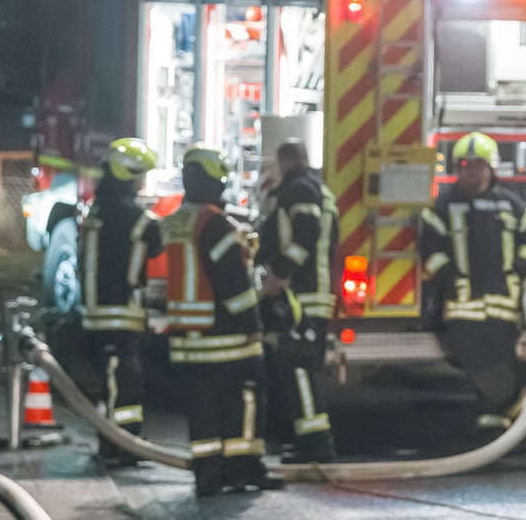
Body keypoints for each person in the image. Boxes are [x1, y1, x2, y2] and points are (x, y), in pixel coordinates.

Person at [161, 144, 284, 496]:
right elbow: (233, 284)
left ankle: (208, 474)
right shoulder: (215, 225)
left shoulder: (178, 221)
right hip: (227, 337)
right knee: (244, 401)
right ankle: (243, 470)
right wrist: (253, 321)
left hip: (187, 338)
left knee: (202, 409)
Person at [419, 131, 526, 439]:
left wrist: (521, 265)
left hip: (503, 304)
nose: (471, 172)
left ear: (491, 168)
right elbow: (430, 247)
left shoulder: (512, 205)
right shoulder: (443, 207)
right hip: (461, 304)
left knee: (505, 361)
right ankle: (516, 404)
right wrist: (447, 277)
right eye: (465, 165)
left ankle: (497, 428)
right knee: (475, 358)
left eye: (477, 166)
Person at [79, 137, 162, 468]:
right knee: (123, 382)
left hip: (100, 310)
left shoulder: (101, 208)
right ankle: (123, 445)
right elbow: (157, 240)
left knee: (111, 383)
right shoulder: (131, 215)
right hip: (118, 311)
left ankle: (112, 443)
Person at [255, 139, 338, 464]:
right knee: (294, 366)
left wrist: (281, 274)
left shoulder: (300, 189)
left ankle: (315, 445)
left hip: (303, 295)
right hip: (308, 294)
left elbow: (305, 234)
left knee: (299, 367)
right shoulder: (315, 187)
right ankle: (305, 440)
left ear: (285, 161)